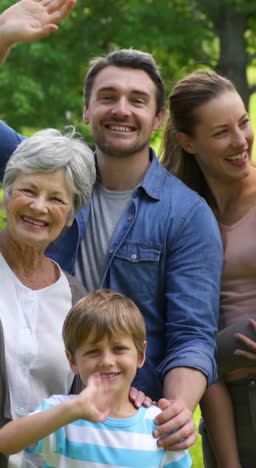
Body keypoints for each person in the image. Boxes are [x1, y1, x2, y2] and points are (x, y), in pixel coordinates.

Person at [0, 0, 224, 450]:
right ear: (85, 111)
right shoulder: (49, 174)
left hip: (123, 434)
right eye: (107, 97)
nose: (121, 109)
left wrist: (178, 407)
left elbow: (191, 334)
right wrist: (2, 39)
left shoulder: (187, 215)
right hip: (39, 420)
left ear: (158, 119)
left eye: (137, 101)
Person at [160, 69, 256, 467]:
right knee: (201, 351)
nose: (241, 142)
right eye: (222, 132)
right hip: (221, 401)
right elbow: (194, 338)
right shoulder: (181, 214)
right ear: (188, 142)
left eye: (244, 123)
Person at [0, 289, 193, 467]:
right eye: (93, 351)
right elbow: (6, 442)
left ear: (141, 355)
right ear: (73, 361)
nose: (107, 361)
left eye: (119, 349)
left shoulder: (160, 425)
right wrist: (71, 410)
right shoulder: (62, 415)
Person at [0, 127, 96, 468]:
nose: (39, 207)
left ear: (70, 217)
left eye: (56, 199)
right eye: (28, 191)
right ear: (6, 197)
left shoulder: (75, 299)